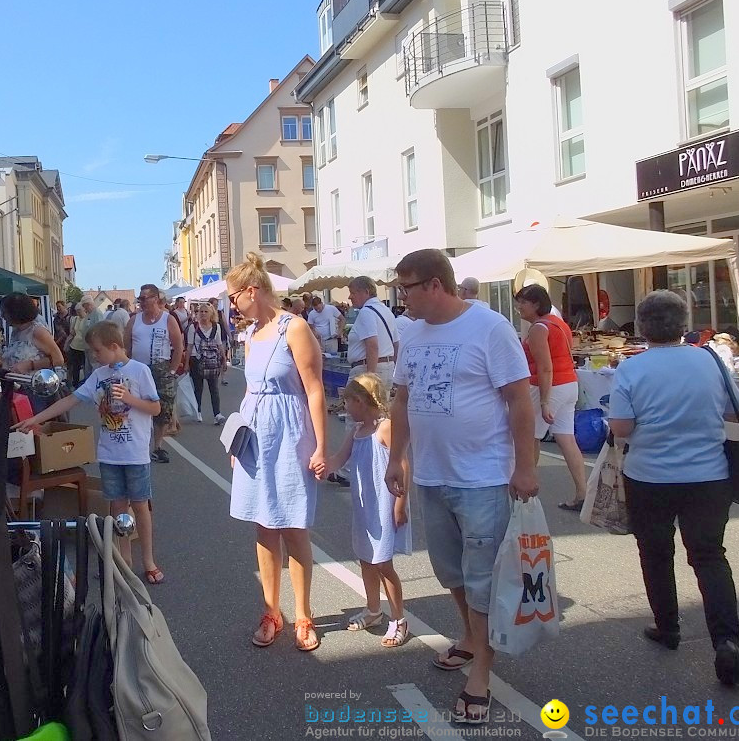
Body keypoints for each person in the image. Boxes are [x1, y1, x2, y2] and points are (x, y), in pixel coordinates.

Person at [384, 249, 537, 724]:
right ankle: (471, 637)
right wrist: (396, 458)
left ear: (433, 285)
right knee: (451, 571)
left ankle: (482, 676)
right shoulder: (411, 334)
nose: (401, 297)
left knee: (483, 579)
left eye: (405, 288)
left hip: (483, 477)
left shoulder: (489, 328)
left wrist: (526, 466)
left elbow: (518, 399)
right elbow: (403, 398)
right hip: (432, 474)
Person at [608, 290, 739, 686]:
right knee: (709, 556)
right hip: (709, 475)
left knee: (655, 552)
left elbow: (621, 428)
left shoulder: (633, 369)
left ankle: (667, 627)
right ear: (684, 324)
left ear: (643, 326)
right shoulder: (710, 361)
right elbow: (732, 409)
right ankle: (726, 640)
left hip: (650, 475)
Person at [227, 253, 327, 652]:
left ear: (252, 290)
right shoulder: (251, 334)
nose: (231, 305)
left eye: (234, 297)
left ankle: (303, 614)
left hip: (290, 433)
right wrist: (237, 441)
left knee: (293, 526)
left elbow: (315, 388)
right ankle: (272, 612)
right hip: (256, 435)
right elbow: (251, 391)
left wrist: (322, 445)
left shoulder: (295, 327)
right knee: (263, 527)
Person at [16, 321, 165, 584]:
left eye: (97, 351)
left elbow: (155, 409)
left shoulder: (140, 371)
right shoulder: (99, 376)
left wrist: (130, 399)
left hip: (135, 453)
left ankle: (149, 560)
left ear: (114, 346)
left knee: (140, 506)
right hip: (110, 454)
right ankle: (124, 559)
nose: (94, 357)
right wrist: (35, 419)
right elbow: (70, 399)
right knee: (118, 506)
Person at [326, 373, 411, 648]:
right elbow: (340, 458)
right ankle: (373, 608)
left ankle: (398, 618)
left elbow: (403, 465)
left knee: (383, 564)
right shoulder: (357, 430)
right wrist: (320, 466)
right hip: (363, 507)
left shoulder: (384, 428)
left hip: (383, 506)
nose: (345, 408)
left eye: (348, 402)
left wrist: (400, 504)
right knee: (365, 558)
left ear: (361, 401)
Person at [514, 284, 586, 511]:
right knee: (567, 438)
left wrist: (544, 401)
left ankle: (527, 494)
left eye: (523, 303)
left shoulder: (538, 329)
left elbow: (544, 368)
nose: (519, 308)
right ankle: (583, 493)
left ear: (535, 304)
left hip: (547, 386)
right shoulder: (559, 324)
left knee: (529, 437)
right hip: (569, 383)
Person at [127, 283, 183, 464]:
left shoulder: (167, 319)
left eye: (145, 298)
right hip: (138, 369)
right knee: (136, 407)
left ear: (156, 298)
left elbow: (178, 347)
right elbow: (125, 347)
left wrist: (172, 371)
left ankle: (157, 446)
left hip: (161, 368)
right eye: (140, 299)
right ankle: (139, 445)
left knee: (163, 407)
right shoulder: (134, 320)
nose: (141, 302)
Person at [0, 292, 66, 413]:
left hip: (35, 392)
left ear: (16, 313)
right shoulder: (16, 331)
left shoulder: (37, 331)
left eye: (5, 312)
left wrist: (30, 365)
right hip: (18, 389)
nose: (2, 316)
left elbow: (58, 359)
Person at [347, 276, 399, 394]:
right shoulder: (386, 311)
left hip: (366, 369)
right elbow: (396, 344)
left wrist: (370, 376)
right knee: (379, 410)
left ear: (366, 292)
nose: (350, 297)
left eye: (353, 292)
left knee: (357, 410)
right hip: (387, 367)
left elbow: (372, 345)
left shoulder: (366, 312)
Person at [187, 303, 227, 425]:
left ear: (211, 314)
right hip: (196, 359)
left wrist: (224, 359)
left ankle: (217, 414)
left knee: (214, 388)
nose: (203, 314)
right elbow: (189, 346)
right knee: (198, 388)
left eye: (206, 312)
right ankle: (198, 412)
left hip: (212, 360)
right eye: (201, 312)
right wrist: (186, 363)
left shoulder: (217, 327)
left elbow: (219, 343)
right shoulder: (193, 327)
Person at [67, 303, 88, 389]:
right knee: (75, 366)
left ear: (84, 310)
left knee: (85, 366)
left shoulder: (88, 319)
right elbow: (72, 332)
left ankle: (85, 384)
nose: (78, 313)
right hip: (74, 346)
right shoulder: (75, 319)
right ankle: (75, 384)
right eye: (77, 311)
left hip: (84, 347)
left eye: (79, 311)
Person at [82, 296, 103, 377]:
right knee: (88, 369)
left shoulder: (97, 313)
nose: (84, 309)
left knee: (94, 368)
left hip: (93, 347)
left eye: (85, 306)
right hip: (87, 347)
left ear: (88, 304)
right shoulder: (88, 314)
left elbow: (99, 330)